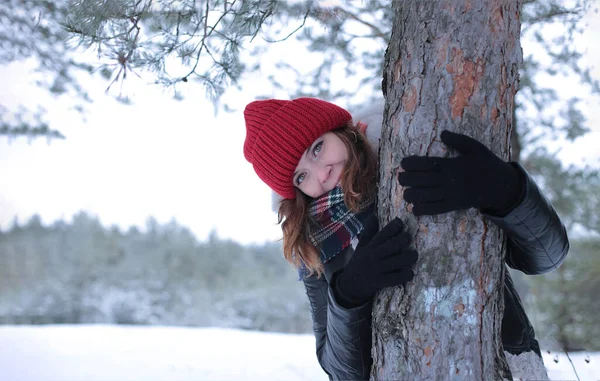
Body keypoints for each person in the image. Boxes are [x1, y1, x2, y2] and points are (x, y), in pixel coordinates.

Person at [243, 97, 569, 380]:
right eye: (301, 176)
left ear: (340, 130)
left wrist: (506, 190)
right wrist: (347, 295)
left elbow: (548, 256)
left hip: (500, 367)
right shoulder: (316, 245)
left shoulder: (418, 158)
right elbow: (342, 373)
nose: (321, 174)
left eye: (317, 149)